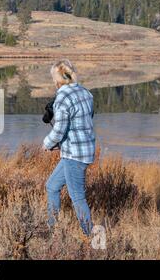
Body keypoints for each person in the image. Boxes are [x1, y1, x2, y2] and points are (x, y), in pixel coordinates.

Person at [42, 59, 96, 236]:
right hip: (82, 150)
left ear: (57, 79)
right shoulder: (85, 93)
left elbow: (58, 131)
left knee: (78, 197)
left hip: (74, 155)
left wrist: (47, 144)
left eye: (53, 78)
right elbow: (85, 120)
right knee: (51, 186)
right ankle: (51, 230)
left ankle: (90, 239)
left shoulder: (62, 97)